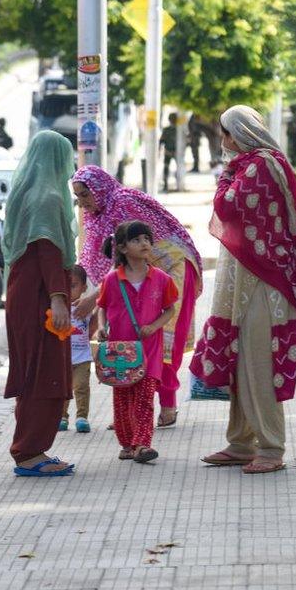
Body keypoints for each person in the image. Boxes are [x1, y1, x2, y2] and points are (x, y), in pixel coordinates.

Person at [192, 105, 296, 474]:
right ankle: (240, 442)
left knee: (259, 364)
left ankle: (271, 447)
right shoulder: (252, 164)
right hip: (247, 279)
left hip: (267, 282)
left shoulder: (263, 165)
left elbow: (228, 206)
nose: (223, 141)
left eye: (226, 133)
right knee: (240, 361)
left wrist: (223, 178)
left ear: (241, 133)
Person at [72, 165, 202, 429]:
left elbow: (121, 259)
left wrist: (92, 300)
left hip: (172, 268)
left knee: (163, 339)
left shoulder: (122, 203)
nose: (83, 203)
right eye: (78, 197)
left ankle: (167, 405)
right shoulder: (98, 214)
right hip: (140, 274)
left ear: (98, 188)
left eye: (85, 195)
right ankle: (129, 411)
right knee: (129, 342)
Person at [1, 130, 78, 477]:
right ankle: (29, 451)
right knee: (43, 371)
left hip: (25, 292)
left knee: (33, 368)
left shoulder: (25, 192)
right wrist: (59, 299)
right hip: (40, 297)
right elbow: (49, 252)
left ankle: (31, 447)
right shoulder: (48, 197)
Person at [96, 221, 179, 463]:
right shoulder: (112, 280)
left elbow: (170, 309)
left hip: (149, 350)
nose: (144, 243)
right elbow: (101, 307)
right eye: (136, 240)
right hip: (119, 351)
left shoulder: (161, 279)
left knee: (145, 397)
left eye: (147, 239)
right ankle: (126, 443)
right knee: (122, 399)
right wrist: (102, 328)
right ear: (122, 248)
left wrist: (154, 326)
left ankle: (142, 444)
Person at [59, 265, 96, 434]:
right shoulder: (58, 309)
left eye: (73, 286)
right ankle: (62, 416)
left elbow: (93, 325)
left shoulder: (85, 307)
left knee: (81, 386)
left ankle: (82, 417)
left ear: (84, 288)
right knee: (63, 389)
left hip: (82, 357)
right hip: (62, 358)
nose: (68, 290)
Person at [159, 112, 178, 192]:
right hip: (169, 151)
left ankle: (175, 184)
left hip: (174, 152)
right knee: (167, 168)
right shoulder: (168, 130)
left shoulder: (177, 130)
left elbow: (161, 141)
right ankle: (166, 185)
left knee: (178, 168)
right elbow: (161, 141)